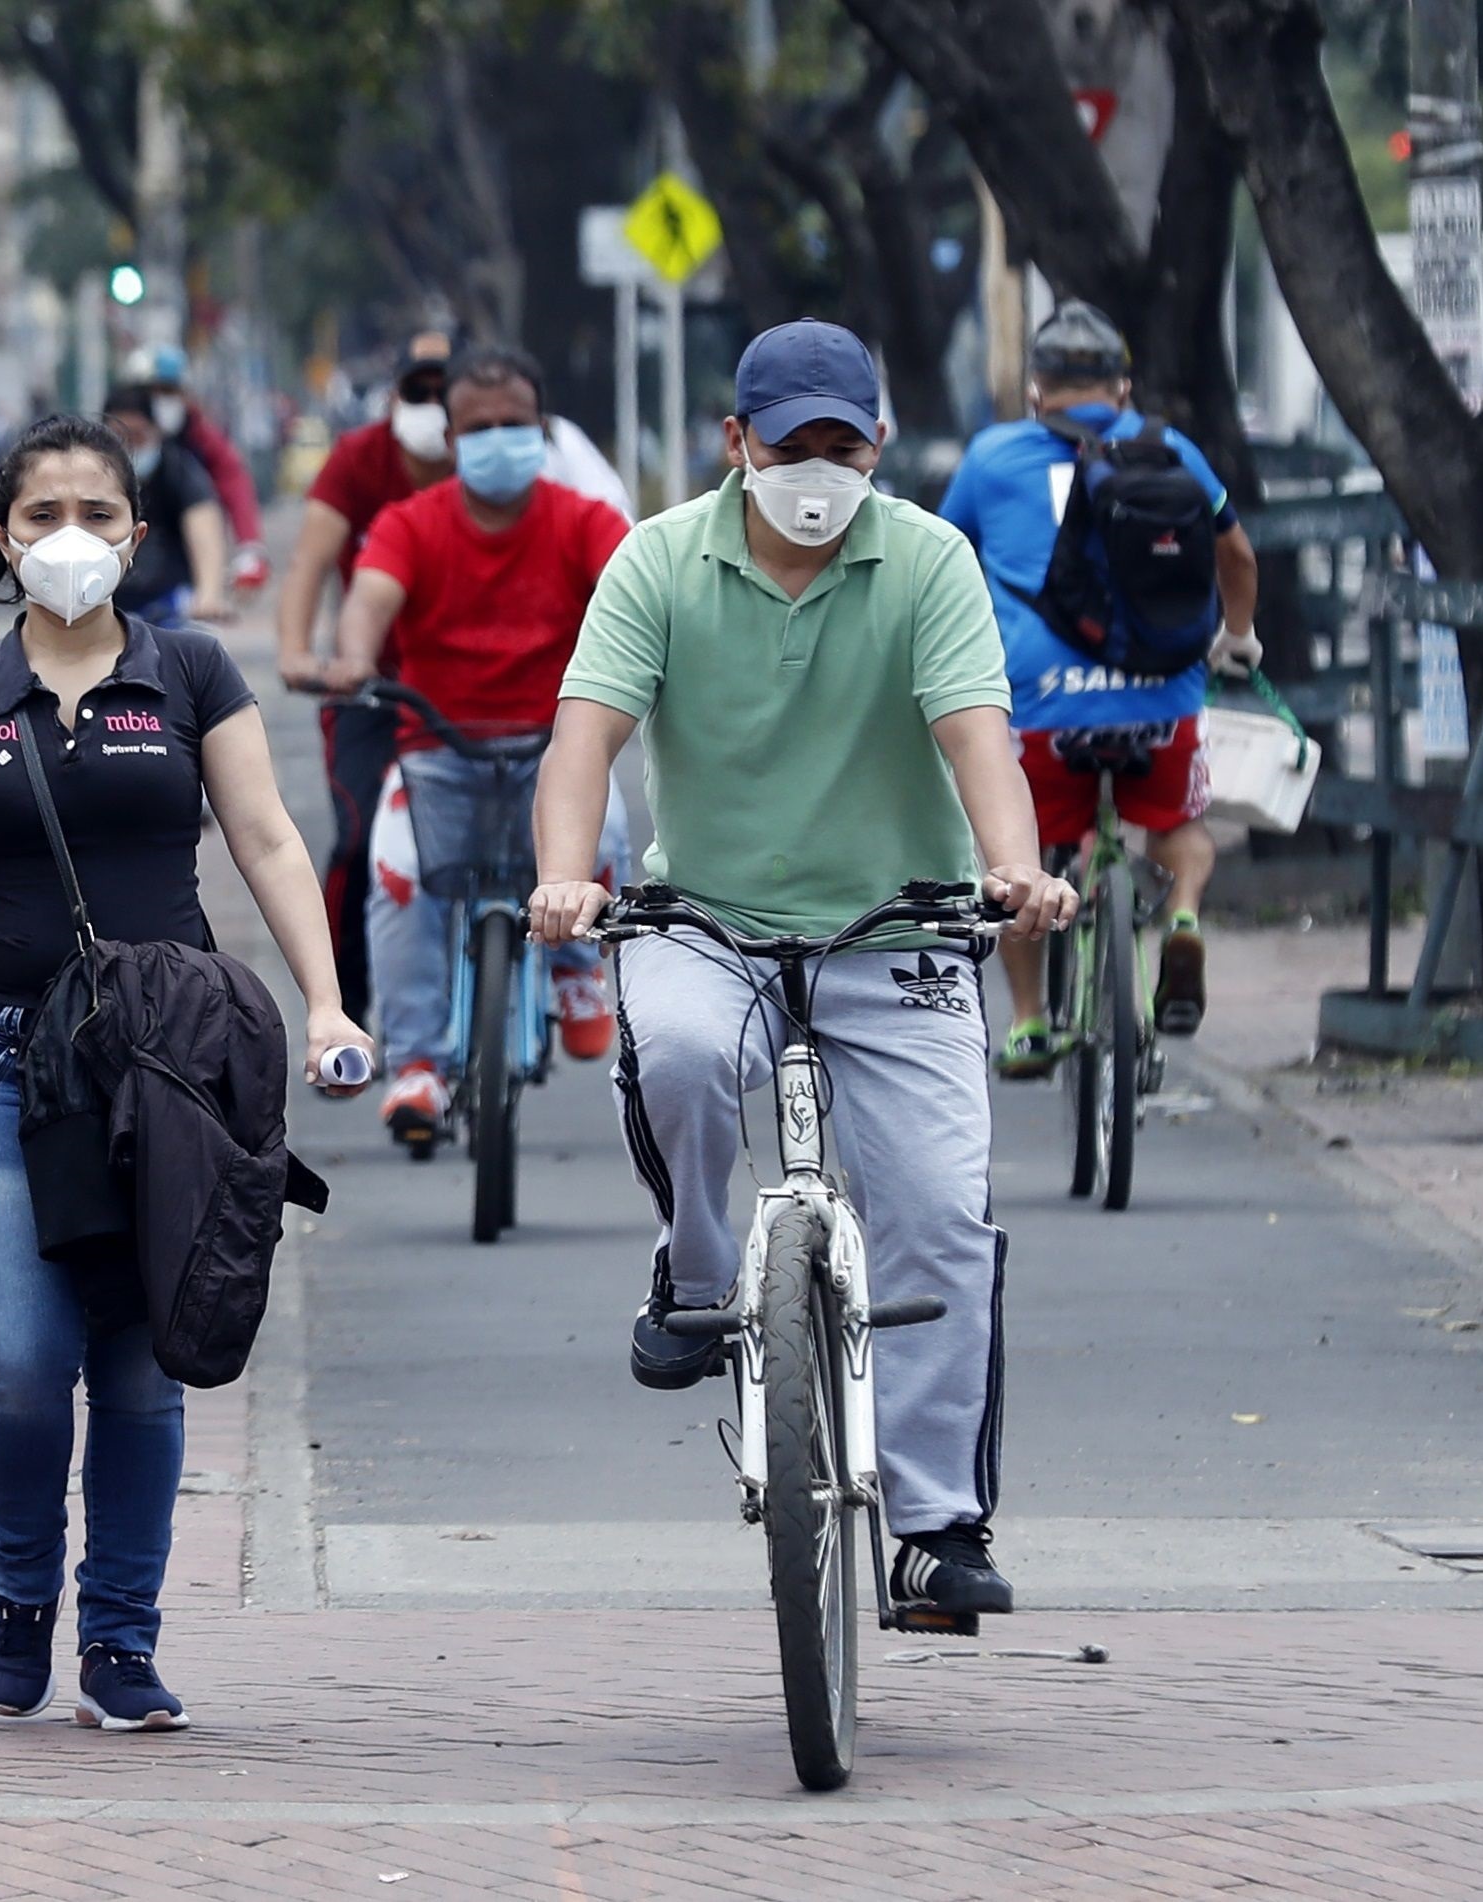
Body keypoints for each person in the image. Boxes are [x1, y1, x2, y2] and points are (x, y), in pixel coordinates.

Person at [0, 413, 372, 1730]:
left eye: (100, 514)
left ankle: (119, 1638)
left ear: (134, 532)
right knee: (16, 1359)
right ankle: (18, 1594)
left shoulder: (189, 672)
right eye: (43, 514)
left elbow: (269, 841)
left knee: (134, 1366)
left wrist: (328, 1001)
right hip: (2, 1064)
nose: (73, 537)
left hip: (165, 1074)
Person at [526, 319, 1074, 1623]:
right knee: (674, 1060)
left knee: (940, 1214)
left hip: (900, 928)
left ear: (877, 443)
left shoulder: (928, 563)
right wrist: (566, 870)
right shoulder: (656, 561)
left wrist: (1012, 871)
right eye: (789, 446)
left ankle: (935, 1523)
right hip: (699, 919)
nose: (815, 470)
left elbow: (976, 738)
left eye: (842, 444)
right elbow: (583, 738)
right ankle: (699, 1266)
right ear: (735, 444)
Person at [322, 345, 632, 1145]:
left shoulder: (582, 520)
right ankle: (417, 1063)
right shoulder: (409, 524)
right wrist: (354, 656)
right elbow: (368, 602)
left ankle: (578, 971)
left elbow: (637, 595)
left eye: (515, 424)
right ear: (452, 442)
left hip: (556, 748)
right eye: (479, 426)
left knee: (611, 831)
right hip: (434, 751)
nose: (499, 438)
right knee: (393, 880)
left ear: (543, 430)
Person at [939, 301, 1258, 1075]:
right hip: (1163, 705)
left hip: (1041, 709)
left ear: (1035, 390)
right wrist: (1237, 638)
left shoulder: (989, 458)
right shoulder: (1173, 449)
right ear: (1122, 388)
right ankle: (1180, 918)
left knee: (1015, 859)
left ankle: (1027, 1022)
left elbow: (941, 560)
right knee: (1181, 827)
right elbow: (1238, 559)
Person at [276, 346, 457, 1022]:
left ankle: (549, 973)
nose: (431, 409)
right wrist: (297, 652)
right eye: (417, 392)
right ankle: (341, 1001)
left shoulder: (496, 468)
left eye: (445, 393)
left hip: (475, 691)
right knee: (357, 841)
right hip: (372, 688)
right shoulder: (359, 459)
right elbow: (309, 561)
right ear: (391, 401)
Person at [129, 345, 267, 587]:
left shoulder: (200, 438)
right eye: (152, 392)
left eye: (169, 391)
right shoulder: (111, 439)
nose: (161, 400)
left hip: (185, 567)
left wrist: (249, 548)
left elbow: (233, 481)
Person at [105, 386, 232, 626]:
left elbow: (203, 525)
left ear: (154, 430)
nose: (130, 446)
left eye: (138, 436)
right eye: (121, 438)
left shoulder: (178, 470)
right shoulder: (90, 478)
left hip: (168, 603)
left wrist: (209, 592)